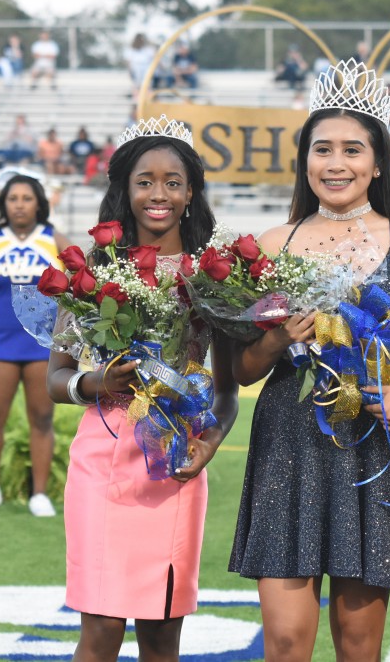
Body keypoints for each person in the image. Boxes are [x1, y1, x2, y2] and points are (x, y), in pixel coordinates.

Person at [229, 59, 390, 662]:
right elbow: (242, 369)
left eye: (353, 149)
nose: (336, 163)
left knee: (357, 643)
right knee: (287, 640)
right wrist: (275, 341)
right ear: (305, 161)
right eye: (322, 149)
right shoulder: (274, 244)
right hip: (288, 439)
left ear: (377, 163)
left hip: (375, 438)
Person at [46, 115, 239, 660]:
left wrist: (211, 442)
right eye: (145, 181)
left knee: (161, 635)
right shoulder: (93, 271)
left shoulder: (212, 275)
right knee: (102, 629)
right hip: (102, 459)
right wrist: (96, 381)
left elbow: (225, 390)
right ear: (124, 190)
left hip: (177, 458)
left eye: (172, 182)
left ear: (191, 191)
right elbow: (53, 379)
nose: (159, 194)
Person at [0, 174, 71, 516]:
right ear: (3, 204)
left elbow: (75, 293)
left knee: (41, 417)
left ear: (39, 203)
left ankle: (39, 494)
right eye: (13, 198)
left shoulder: (55, 240)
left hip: (41, 343)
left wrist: (66, 340)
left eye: (27, 198)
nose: (20, 204)